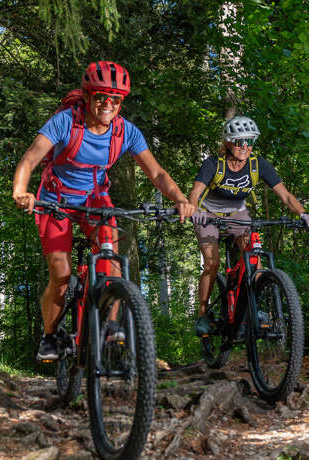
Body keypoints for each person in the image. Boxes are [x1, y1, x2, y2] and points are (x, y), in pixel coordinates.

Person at [13, 61, 195, 361]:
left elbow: (157, 173)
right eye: (100, 97)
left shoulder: (126, 132)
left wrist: (179, 198)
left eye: (115, 99)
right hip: (55, 199)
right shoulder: (66, 122)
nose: (107, 104)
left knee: (111, 260)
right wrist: (21, 191)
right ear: (88, 96)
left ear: (121, 102)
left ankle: (109, 326)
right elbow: (30, 159)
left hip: (95, 199)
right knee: (60, 274)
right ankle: (49, 337)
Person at [188, 115, 309, 335]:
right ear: (229, 142)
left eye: (250, 141)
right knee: (211, 262)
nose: (245, 147)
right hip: (209, 214)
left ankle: (252, 309)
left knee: (254, 259)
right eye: (240, 141)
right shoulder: (213, 164)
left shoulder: (259, 165)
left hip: (238, 214)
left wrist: (302, 213)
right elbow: (195, 193)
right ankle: (202, 315)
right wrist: (194, 212)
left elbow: (285, 196)